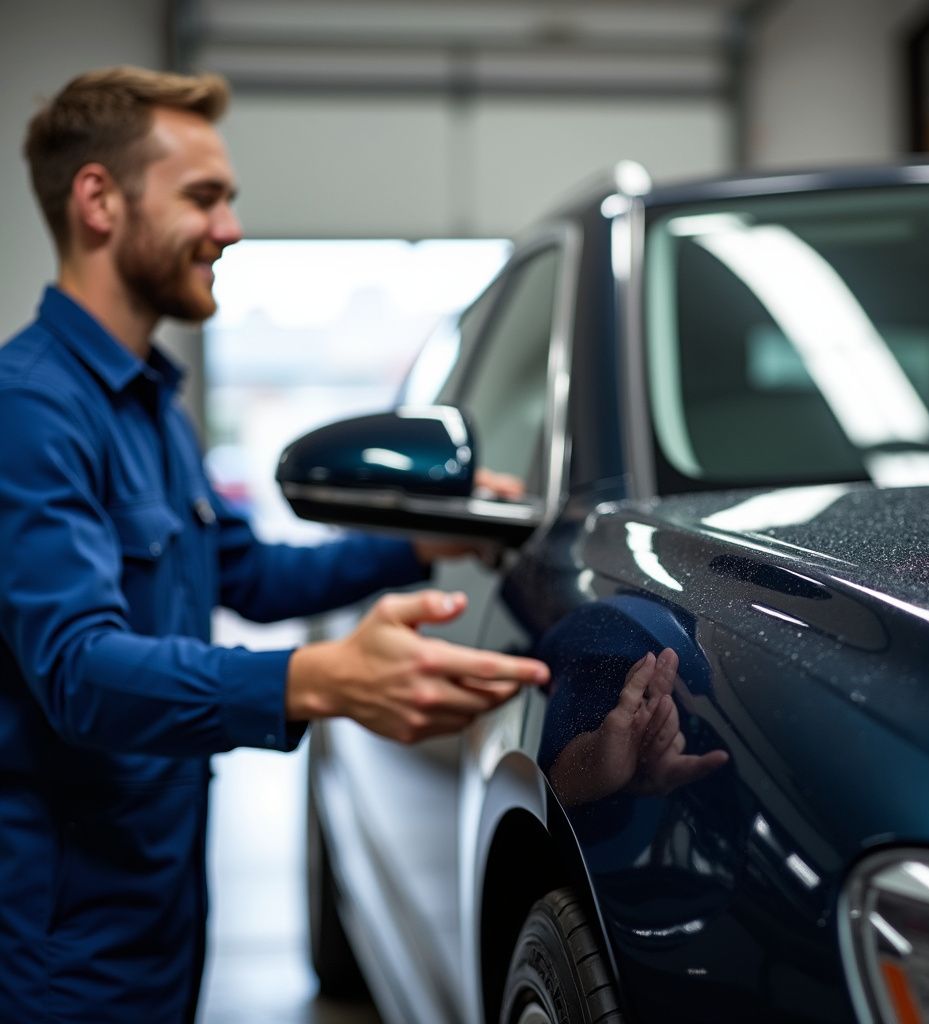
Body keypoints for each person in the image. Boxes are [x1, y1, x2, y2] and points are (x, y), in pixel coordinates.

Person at [0, 65, 549, 1023]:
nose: (232, 228)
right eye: (204, 197)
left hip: (159, 906)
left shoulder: (151, 407)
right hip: (64, 940)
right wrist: (316, 680)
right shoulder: (30, 411)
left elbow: (243, 574)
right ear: (98, 201)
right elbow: (78, 670)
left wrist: (419, 544)